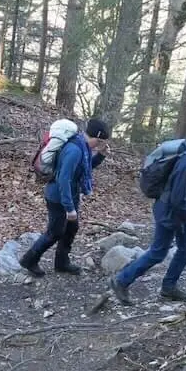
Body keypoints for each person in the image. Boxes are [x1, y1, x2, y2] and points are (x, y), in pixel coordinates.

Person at [111, 126, 186, 304]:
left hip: (181, 211)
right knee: (158, 252)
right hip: (169, 211)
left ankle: (168, 287)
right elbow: (177, 196)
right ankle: (121, 281)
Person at [20, 118, 111, 277]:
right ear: (97, 138)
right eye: (101, 142)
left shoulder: (83, 147)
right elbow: (64, 179)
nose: (101, 145)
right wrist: (69, 208)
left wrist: (101, 156)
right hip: (58, 197)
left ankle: (62, 263)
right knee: (54, 232)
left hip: (70, 194)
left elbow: (85, 168)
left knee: (71, 228)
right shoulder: (75, 150)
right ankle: (29, 260)